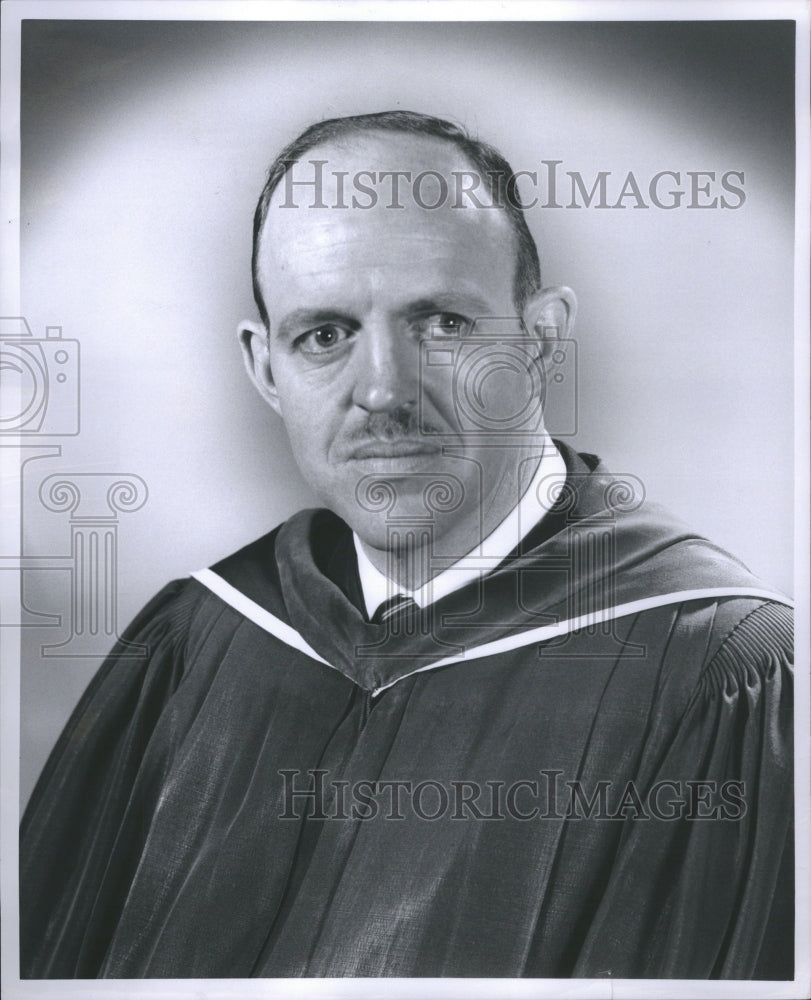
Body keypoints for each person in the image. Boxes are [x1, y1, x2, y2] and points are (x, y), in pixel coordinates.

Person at [20, 111, 794, 980]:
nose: (382, 389)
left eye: (441, 324)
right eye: (324, 335)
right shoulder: (195, 640)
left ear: (538, 341)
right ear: (264, 369)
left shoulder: (716, 671)